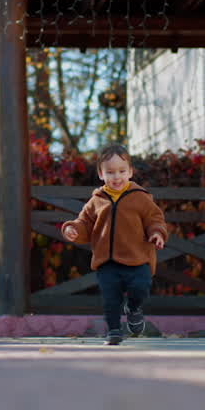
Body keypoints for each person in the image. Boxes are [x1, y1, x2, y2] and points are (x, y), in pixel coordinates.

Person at [61, 144, 167, 345]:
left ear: (130, 172)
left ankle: (133, 309)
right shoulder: (97, 201)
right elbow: (84, 222)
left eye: (121, 171)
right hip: (107, 260)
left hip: (137, 258)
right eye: (110, 172)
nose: (116, 177)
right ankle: (114, 331)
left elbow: (155, 219)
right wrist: (73, 229)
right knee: (110, 298)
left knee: (141, 289)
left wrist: (157, 233)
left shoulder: (141, 197)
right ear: (101, 174)